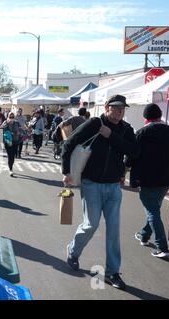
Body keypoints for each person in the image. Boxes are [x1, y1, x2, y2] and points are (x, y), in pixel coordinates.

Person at [62, 94, 138, 290]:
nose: (120, 111)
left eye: (123, 108)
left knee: (113, 231)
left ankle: (112, 272)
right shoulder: (95, 123)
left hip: (113, 187)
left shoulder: (125, 129)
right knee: (91, 224)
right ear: (107, 107)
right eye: (117, 107)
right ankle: (73, 251)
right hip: (91, 184)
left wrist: (110, 136)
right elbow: (69, 143)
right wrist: (66, 172)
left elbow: (134, 152)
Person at [126, 103, 169, 259]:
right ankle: (144, 235)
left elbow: (132, 155)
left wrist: (124, 168)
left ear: (145, 117)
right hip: (166, 178)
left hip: (145, 178)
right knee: (154, 208)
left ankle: (162, 247)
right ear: (160, 116)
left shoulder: (141, 133)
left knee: (152, 210)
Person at [0, 112, 22, 177]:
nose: (11, 118)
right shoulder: (5, 123)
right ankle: (10, 169)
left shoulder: (17, 123)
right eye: (10, 117)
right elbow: (0, 130)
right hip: (8, 142)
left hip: (15, 141)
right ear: (8, 117)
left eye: (12, 117)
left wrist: (19, 132)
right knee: (10, 156)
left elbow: (21, 130)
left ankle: (11, 166)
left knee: (13, 156)